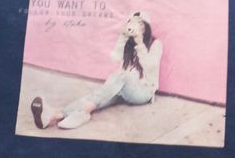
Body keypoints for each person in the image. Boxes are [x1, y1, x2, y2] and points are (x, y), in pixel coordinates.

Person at [31, 11, 163, 130]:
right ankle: (53, 116)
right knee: (97, 97)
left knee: (119, 76)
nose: (137, 27)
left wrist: (140, 44)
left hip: (143, 92)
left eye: (140, 23)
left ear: (146, 27)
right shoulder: (129, 43)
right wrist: (122, 37)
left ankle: (83, 113)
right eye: (133, 22)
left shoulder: (155, 44)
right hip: (124, 90)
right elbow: (115, 58)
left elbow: (150, 65)